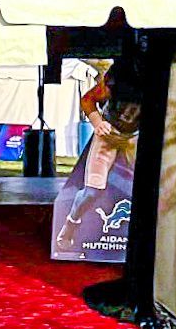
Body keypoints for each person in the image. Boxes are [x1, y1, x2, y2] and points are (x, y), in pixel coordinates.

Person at [55, 57, 142, 253]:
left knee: (145, 192)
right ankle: (71, 224)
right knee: (92, 191)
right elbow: (88, 99)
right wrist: (97, 121)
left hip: (134, 137)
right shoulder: (117, 79)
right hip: (110, 133)